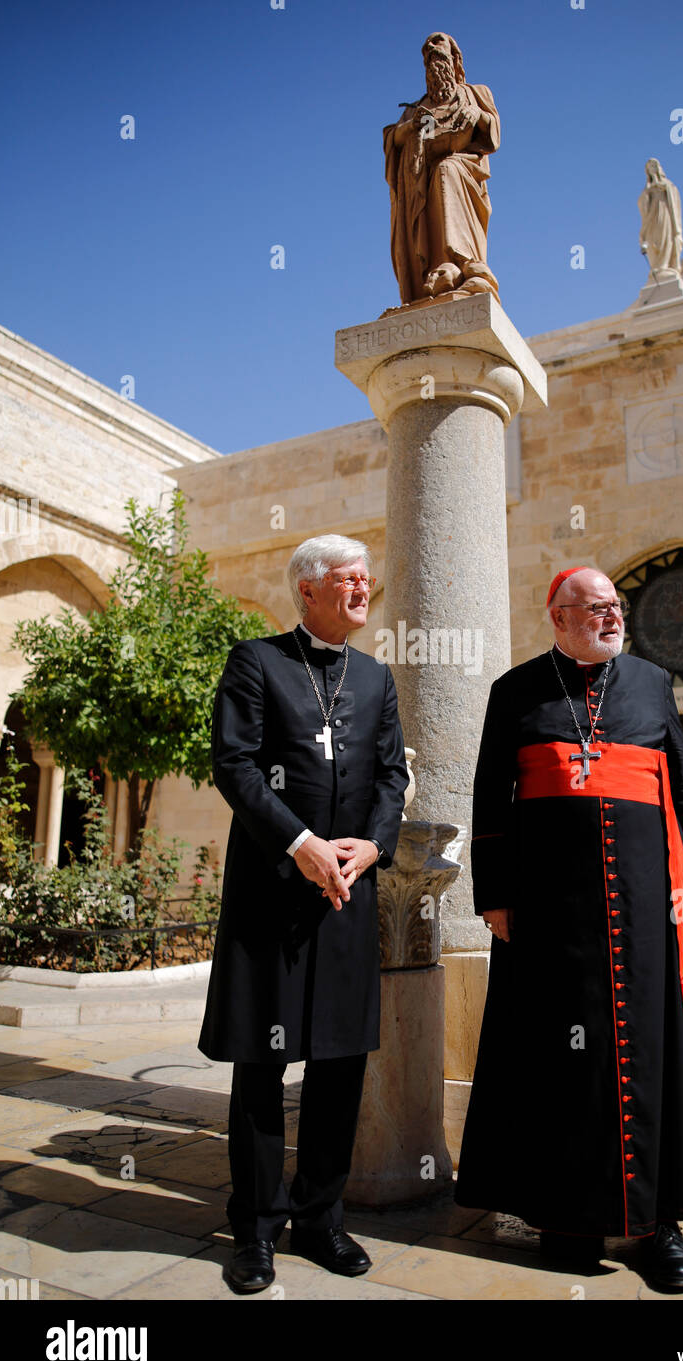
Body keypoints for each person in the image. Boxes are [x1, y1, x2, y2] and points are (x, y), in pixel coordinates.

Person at [454, 565, 683, 1289]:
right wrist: (494, 896)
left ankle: (659, 1225)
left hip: (649, 914)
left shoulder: (651, 683)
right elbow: (490, 800)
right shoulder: (515, 692)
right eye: (596, 607)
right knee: (560, 1063)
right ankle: (567, 1218)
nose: (613, 616)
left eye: (616, 606)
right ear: (558, 618)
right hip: (551, 919)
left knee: (654, 1057)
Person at [198, 534, 408, 1293]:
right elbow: (236, 765)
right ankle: (254, 1227)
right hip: (271, 897)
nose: (364, 588)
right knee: (262, 1065)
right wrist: (300, 843)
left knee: (340, 1063)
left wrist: (371, 849)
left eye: (366, 579)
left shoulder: (377, 679)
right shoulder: (257, 661)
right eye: (350, 579)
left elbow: (392, 774)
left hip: (345, 899)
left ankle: (321, 1218)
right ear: (309, 589)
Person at [383, 31, 500, 303]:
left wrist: (478, 115)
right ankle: (439, 267)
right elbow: (392, 139)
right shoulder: (416, 108)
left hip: (465, 167)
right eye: (426, 49)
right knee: (436, 176)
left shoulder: (475, 93)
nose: (430, 49)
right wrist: (411, 128)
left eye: (438, 43)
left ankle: (466, 261)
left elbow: (493, 135)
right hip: (422, 176)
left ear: (454, 56)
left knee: (447, 170)